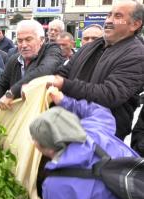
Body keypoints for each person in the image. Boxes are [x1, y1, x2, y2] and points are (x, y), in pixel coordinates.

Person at [29, 89, 138, 199]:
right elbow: (98, 110)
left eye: (36, 140)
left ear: (47, 149)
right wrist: (63, 100)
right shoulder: (96, 128)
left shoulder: (56, 185)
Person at [52, 0, 144, 140]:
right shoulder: (92, 46)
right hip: (69, 126)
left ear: (135, 24)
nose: (109, 20)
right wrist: (47, 82)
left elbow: (109, 95)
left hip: (102, 138)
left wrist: (64, 84)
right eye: (109, 15)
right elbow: (65, 71)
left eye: (118, 16)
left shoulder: (137, 54)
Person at [0, 20, 64, 110]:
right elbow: (1, 83)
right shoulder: (14, 59)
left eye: (28, 40)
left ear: (42, 40)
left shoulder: (52, 50)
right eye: (19, 41)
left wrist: (12, 92)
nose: (23, 45)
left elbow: (45, 70)